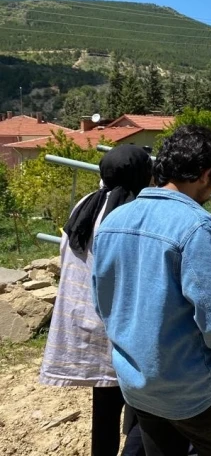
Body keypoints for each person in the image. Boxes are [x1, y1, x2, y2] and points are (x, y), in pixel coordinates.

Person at [93, 126, 211, 456]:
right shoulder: (195, 227)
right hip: (195, 392)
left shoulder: (113, 221)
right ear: (206, 174)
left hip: (138, 386)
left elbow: (103, 303)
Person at [39, 145, 151, 456]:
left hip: (87, 321)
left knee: (104, 406)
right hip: (124, 328)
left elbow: (67, 253)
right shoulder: (133, 211)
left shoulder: (86, 204)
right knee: (146, 405)